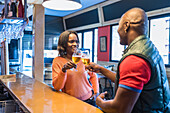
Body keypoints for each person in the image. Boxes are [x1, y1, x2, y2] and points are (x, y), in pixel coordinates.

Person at [86, 8, 170, 113]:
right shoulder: (149, 49)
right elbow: (127, 81)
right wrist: (101, 69)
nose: (117, 31)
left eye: (118, 26)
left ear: (126, 26)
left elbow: (119, 109)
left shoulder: (134, 59)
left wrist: (99, 102)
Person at [52, 30, 99, 106]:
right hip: (70, 102)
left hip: (89, 100)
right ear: (64, 44)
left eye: (77, 41)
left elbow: (93, 75)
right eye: (71, 41)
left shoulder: (83, 57)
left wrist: (96, 92)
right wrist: (63, 70)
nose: (75, 44)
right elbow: (57, 87)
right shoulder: (57, 61)